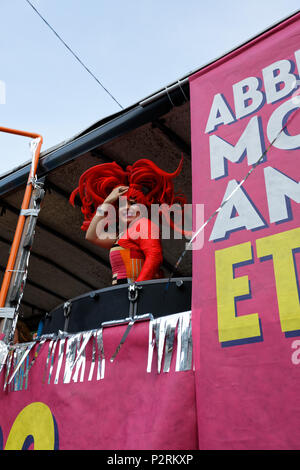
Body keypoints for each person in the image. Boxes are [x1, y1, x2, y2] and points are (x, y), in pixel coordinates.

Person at [70, 158, 186, 286]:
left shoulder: (144, 225)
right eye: (121, 204)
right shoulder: (122, 235)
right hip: (126, 295)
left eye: (133, 203)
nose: (126, 208)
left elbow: (154, 256)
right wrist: (107, 202)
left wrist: (138, 288)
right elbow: (92, 236)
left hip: (136, 297)